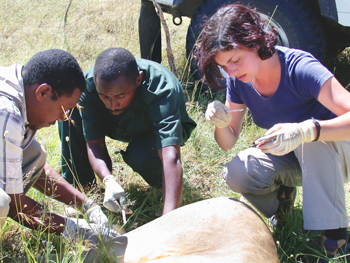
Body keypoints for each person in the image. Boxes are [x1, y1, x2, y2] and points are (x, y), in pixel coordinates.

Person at [196, 3, 350, 261]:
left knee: (311, 141)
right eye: (224, 66)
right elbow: (228, 141)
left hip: (339, 151)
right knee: (238, 172)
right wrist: (220, 123)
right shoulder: (240, 80)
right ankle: (283, 207)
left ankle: (335, 239)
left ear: (255, 42)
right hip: (300, 156)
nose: (231, 72)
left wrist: (308, 129)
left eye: (235, 60)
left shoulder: (300, 67)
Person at [59, 47, 196, 215]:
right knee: (69, 112)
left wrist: (169, 218)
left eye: (120, 97)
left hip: (152, 129)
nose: (111, 104)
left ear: (138, 80)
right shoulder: (89, 85)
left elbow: (170, 155)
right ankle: (83, 189)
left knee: (141, 155)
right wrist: (108, 181)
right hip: (116, 124)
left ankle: (165, 184)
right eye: (104, 97)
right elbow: (95, 144)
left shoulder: (162, 88)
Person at [0, 49, 118, 244]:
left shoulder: (24, 85)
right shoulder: (7, 112)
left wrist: (88, 206)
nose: (64, 118)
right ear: (43, 92)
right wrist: (73, 229)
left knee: (34, 155)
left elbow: (37, 170)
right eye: (64, 109)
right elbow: (14, 204)